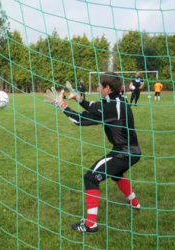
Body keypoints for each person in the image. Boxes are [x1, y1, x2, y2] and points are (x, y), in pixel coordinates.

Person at [45, 73, 141, 233]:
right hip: (129, 150)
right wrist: (78, 99)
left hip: (125, 152)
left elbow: (80, 120)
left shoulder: (112, 107)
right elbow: (95, 108)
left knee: (90, 177)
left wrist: (61, 105)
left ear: (108, 88)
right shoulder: (117, 101)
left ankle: (90, 224)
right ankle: (135, 203)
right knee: (116, 174)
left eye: (100, 86)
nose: (98, 88)